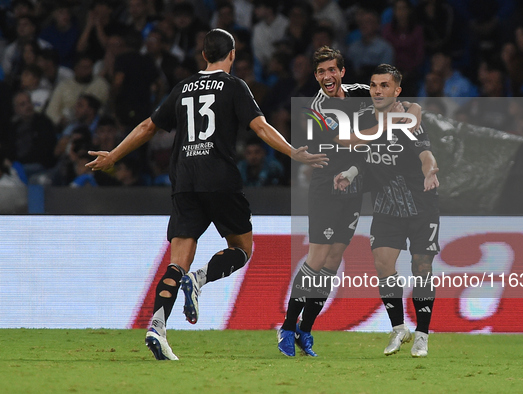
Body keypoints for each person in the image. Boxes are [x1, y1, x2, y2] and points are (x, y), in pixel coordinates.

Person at [85, 28, 327, 361]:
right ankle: (200, 279)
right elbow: (260, 126)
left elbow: (147, 127)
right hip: (220, 179)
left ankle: (157, 326)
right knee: (241, 248)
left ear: (203, 56)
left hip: (184, 180)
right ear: (232, 55)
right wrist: (292, 152)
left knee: (176, 262)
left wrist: (112, 155)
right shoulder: (234, 86)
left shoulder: (182, 88)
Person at [277, 46, 422, 358]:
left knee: (332, 262)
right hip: (325, 188)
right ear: (315, 76)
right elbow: (351, 138)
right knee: (316, 259)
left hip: (354, 187)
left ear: (342, 72)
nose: (327, 76)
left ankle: (306, 330)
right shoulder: (316, 108)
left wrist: (408, 111)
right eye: (320, 72)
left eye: (332, 70)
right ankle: (287, 327)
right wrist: (391, 123)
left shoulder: (359, 92)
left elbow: (405, 105)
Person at [335, 64, 439, 357]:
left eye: (384, 85)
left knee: (421, 268)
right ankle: (398, 329)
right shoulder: (365, 117)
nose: (377, 90)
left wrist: (431, 170)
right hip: (386, 206)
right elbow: (362, 152)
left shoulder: (410, 117)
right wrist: (353, 172)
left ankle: (422, 335)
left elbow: (425, 153)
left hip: (421, 206)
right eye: (373, 85)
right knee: (383, 266)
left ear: (397, 91)